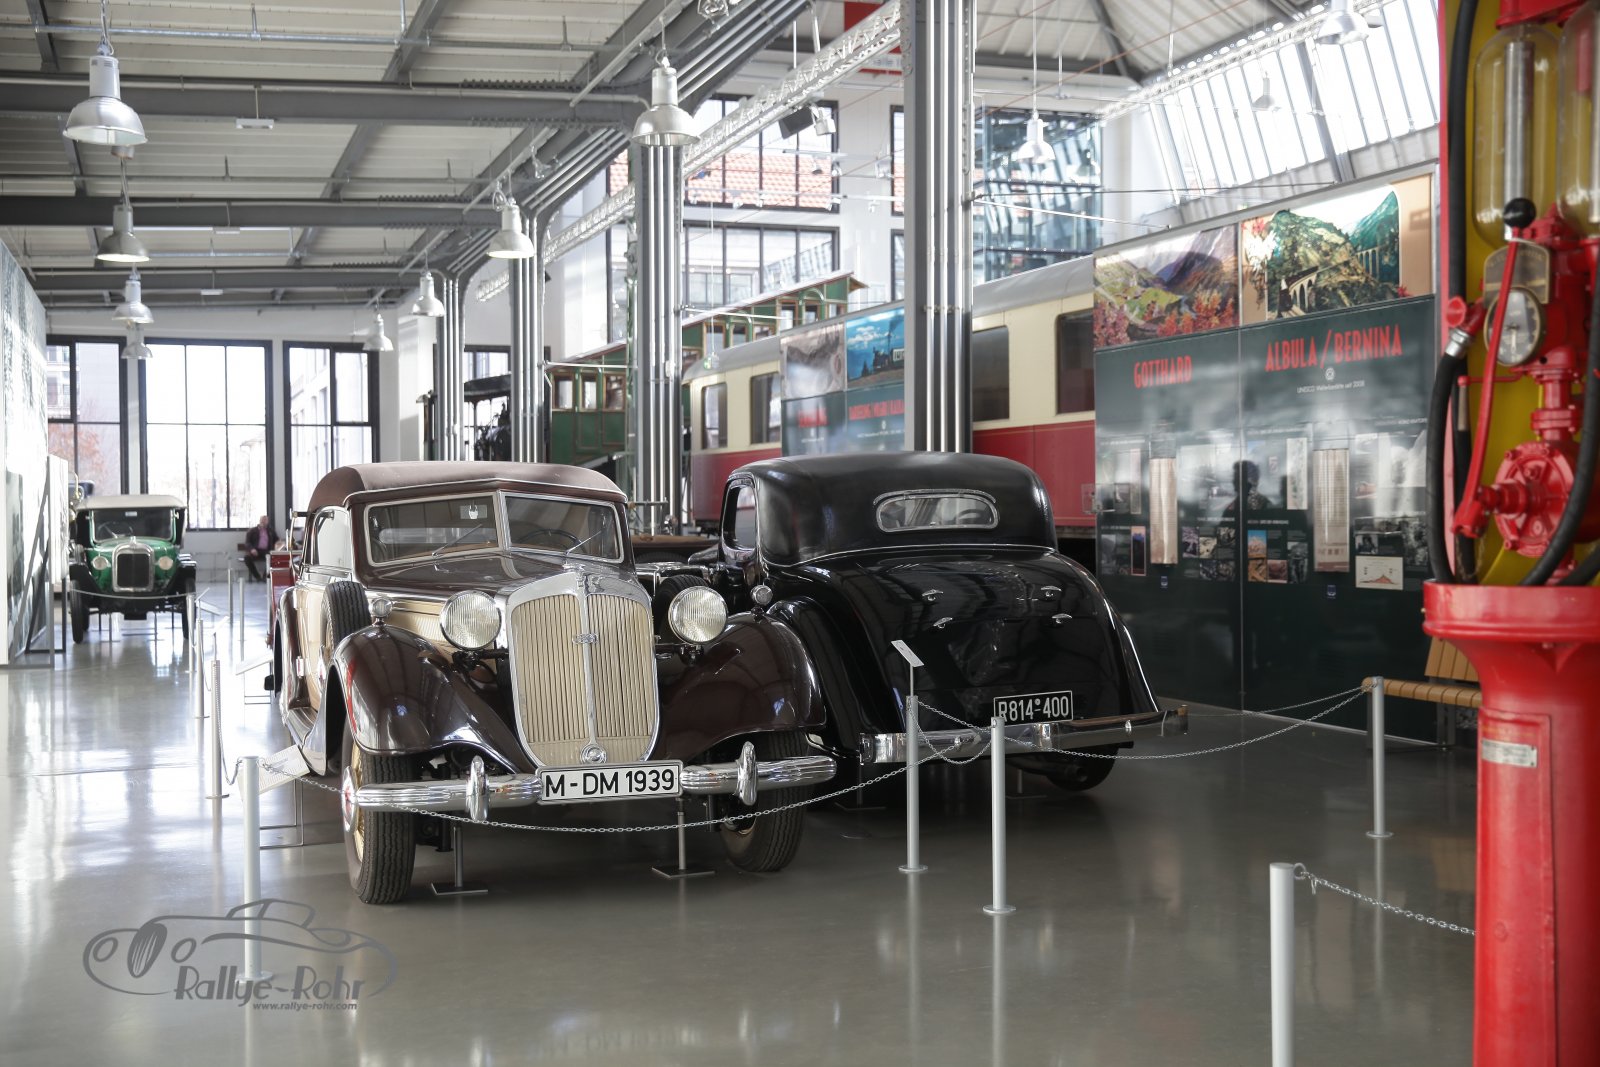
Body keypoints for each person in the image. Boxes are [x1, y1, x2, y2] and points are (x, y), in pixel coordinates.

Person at [243, 515, 276, 581]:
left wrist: (280, 543)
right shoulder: (252, 531)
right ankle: (257, 577)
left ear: (267, 522)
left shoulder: (271, 531)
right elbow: (247, 543)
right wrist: (252, 549)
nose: (263, 522)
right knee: (247, 558)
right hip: (255, 550)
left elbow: (276, 540)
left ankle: (265, 577)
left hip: (266, 551)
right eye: (262, 520)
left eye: (265, 520)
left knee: (274, 559)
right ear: (259, 521)